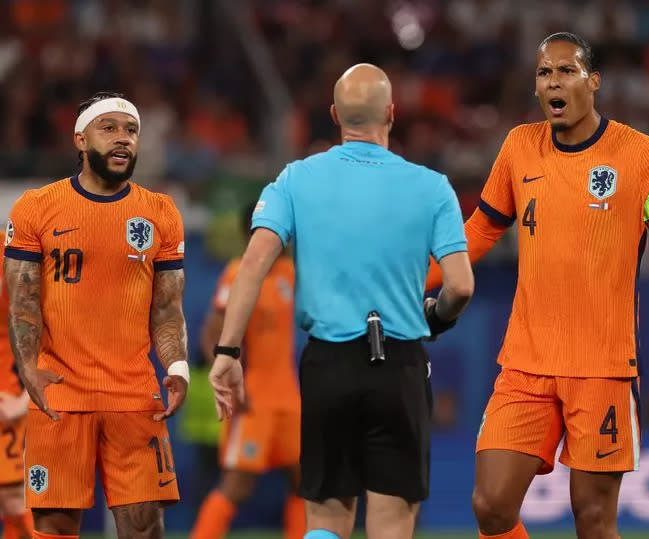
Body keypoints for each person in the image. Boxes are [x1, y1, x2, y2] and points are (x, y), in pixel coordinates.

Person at [425, 32, 649, 539]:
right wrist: (413, 284)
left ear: (593, 82)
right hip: (525, 364)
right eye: (544, 73)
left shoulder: (638, 156)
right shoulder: (518, 148)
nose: (553, 81)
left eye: (566, 71)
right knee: (490, 505)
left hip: (601, 370)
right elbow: (481, 229)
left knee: (594, 521)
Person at [209, 63, 474, 539]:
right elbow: (460, 286)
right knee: (391, 520)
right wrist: (435, 317)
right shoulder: (433, 187)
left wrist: (228, 352)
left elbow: (253, 264)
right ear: (392, 112)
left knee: (328, 519)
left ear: (334, 114)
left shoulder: (295, 179)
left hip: (329, 365)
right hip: (400, 364)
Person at [4, 91, 189, 539]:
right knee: (53, 530)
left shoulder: (160, 212)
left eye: (131, 130)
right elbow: (22, 301)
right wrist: (28, 369)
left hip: (134, 396)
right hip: (60, 398)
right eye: (109, 128)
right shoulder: (36, 207)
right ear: (80, 139)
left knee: (145, 530)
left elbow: (166, 310)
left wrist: (178, 365)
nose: (123, 139)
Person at [191, 207, 305, 539]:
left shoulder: (287, 271)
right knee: (238, 484)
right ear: (249, 236)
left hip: (288, 396)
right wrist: (229, 379)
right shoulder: (237, 273)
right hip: (252, 396)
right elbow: (212, 333)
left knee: (303, 479)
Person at [0, 235, 33, 539]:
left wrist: (23, 401)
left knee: (14, 498)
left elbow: (53, 332)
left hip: (5, 403)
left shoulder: (10, 256)